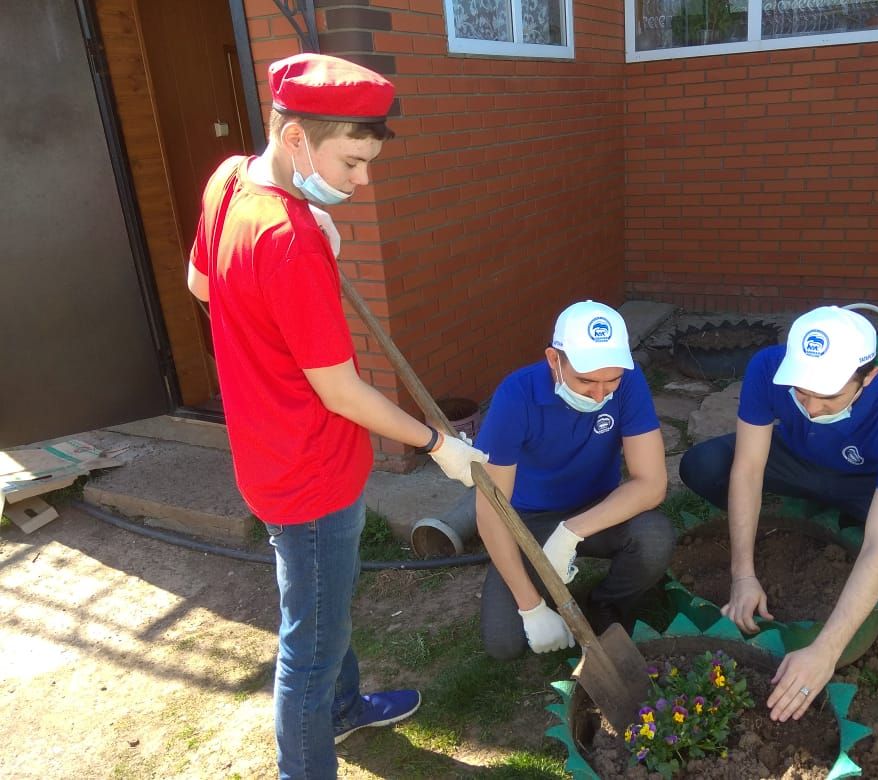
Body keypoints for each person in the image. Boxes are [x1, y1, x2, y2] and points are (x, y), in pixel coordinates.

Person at [186, 53, 488, 780]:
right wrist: (437, 443)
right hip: (310, 474)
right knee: (310, 645)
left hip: (266, 450)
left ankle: (346, 712)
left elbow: (202, 283)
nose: (361, 180)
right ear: (296, 140)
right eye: (351, 162)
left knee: (325, 603)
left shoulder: (229, 180)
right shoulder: (290, 240)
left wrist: (277, 305)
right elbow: (341, 391)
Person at [679, 305, 878, 723]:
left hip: (864, 480)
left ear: (868, 378)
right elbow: (748, 469)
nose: (812, 408)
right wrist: (742, 575)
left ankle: (844, 515)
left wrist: (825, 649)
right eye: (801, 392)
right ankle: (795, 509)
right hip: (793, 459)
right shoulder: (767, 366)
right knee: (703, 466)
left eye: (828, 396)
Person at [473, 300, 675, 660]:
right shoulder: (515, 395)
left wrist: (571, 532)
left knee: (654, 536)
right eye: (586, 380)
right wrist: (530, 607)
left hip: (597, 509)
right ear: (554, 359)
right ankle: (538, 598)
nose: (600, 394)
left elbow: (651, 483)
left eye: (610, 380)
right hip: (528, 521)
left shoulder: (628, 385)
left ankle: (604, 603)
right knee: (503, 644)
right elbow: (491, 510)